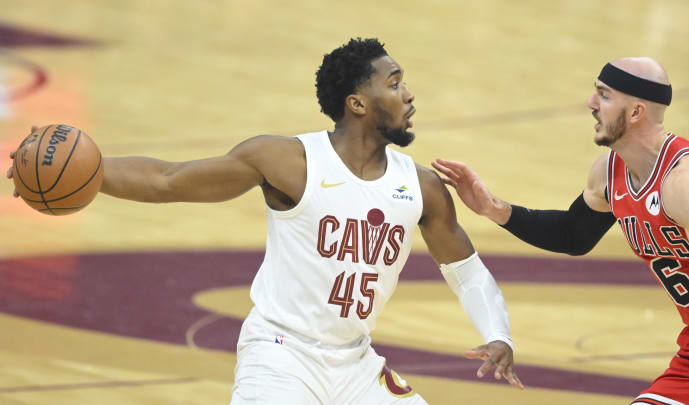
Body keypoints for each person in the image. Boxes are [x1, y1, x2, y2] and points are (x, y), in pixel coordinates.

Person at [7, 38, 522, 404]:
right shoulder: (289, 161)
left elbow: (466, 270)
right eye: (395, 82)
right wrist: (88, 174)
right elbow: (169, 180)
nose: (409, 94)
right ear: (358, 103)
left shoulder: (423, 186)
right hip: (281, 353)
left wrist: (499, 334)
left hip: (356, 362)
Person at [433, 57, 689, 404]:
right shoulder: (608, 175)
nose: (591, 104)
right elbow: (574, 235)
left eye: (604, 95)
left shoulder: (688, 180)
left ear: (635, 112)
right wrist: (495, 209)